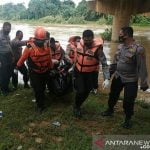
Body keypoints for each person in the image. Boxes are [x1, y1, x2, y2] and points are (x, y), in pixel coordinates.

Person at [101, 26, 149, 129]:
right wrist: (108, 77)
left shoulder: (138, 49)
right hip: (118, 76)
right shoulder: (120, 46)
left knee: (128, 100)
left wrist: (144, 83)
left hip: (131, 79)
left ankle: (128, 119)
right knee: (113, 95)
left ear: (126, 35)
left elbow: (142, 67)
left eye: (120, 34)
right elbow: (114, 63)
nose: (119, 35)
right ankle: (110, 110)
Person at [73, 29, 110, 118]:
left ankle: (78, 104)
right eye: (86, 40)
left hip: (90, 73)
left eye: (89, 40)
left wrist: (107, 78)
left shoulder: (98, 49)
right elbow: (76, 58)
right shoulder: (79, 44)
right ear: (83, 38)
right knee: (80, 91)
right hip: (79, 72)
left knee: (87, 91)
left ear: (93, 39)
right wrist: (72, 68)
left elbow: (104, 64)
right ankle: (76, 106)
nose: (88, 42)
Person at [17, 27, 53, 112]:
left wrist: (50, 68)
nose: (40, 42)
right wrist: (21, 69)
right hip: (35, 73)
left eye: (42, 40)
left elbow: (49, 59)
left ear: (45, 39)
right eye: (38, 40)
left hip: (45, 71)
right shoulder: (29, 48)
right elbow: (20, 62)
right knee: (38, 89)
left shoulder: (47, 46)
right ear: (35, 39)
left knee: (43, 88)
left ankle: (41, 100)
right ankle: (40, 106)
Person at [0, 22, 14, 95]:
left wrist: (12, 56)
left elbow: (9, 46)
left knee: (9, 72)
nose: (9, 30)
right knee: (4, 73)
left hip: (8, 56)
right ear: (3, 27)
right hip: (2, 56)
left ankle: (6, 87)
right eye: (8, 29)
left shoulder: (8, 35)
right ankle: (3, 89)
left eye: (10, 29)